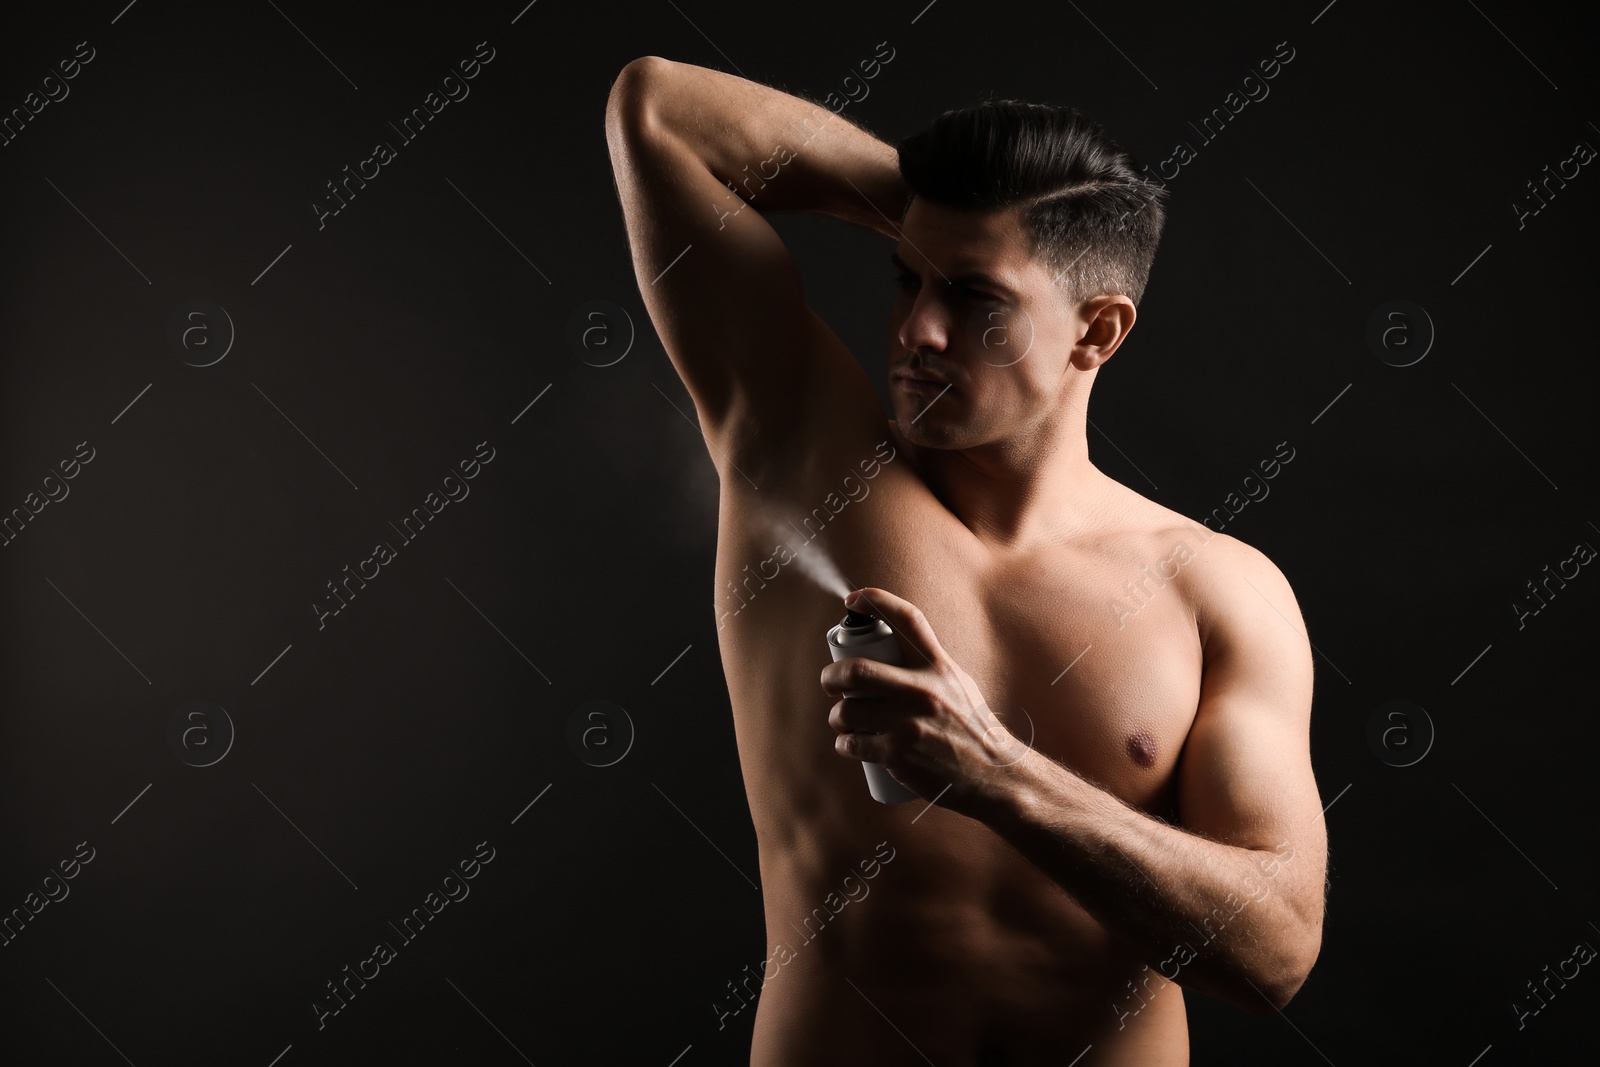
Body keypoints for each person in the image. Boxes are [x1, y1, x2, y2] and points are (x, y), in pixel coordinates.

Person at [605, 55, 1327, 1066]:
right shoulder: (801, 451)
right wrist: (948, 218)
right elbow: (661, 111)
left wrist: (996, 774)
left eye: (976, 298)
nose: (915, 330)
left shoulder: (1216, 589)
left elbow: (1273, 950)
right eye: (908, 277)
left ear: (1098, 329)